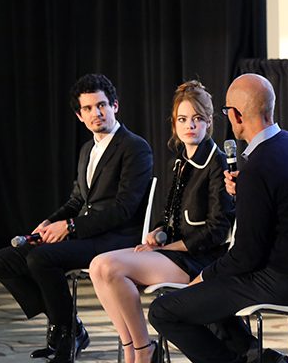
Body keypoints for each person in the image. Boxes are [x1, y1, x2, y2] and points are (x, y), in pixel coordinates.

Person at [148, 73, 288, 363]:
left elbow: (246, 256)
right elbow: (281, 216)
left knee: (163, 311)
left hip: (281, 282)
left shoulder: (259, 166)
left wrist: (203, 277)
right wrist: (243, 194)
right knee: (209, 299)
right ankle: (259, 358)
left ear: (235, 115)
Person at [0, 74, 153, 363]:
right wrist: (50, 223)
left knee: (41, 259)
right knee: (1, 261)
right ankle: (71, 326)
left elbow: (124, 209)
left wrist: (71, 226)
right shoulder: (87, 149)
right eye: (88, 108)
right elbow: (78, 201)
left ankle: (64, 334)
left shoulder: (134, 147)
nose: (96, 113)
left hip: (115, 239)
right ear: (79, 115)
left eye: (101, 105)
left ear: (115, 106)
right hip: (85, 234)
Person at [89, 80, 235, 363]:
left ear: (208, 122)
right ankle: (133, 349)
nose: (190, 125)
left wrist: (169, 247)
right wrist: (158, 233)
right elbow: (170, 216)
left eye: (197, 119)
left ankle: (144, 351)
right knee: (97, 267)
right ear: (174, 124)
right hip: (174, 254)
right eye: (182, 119)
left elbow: (217, 231)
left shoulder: (217, 163)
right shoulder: (180, 162)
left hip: (200, 261)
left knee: (110, 268)